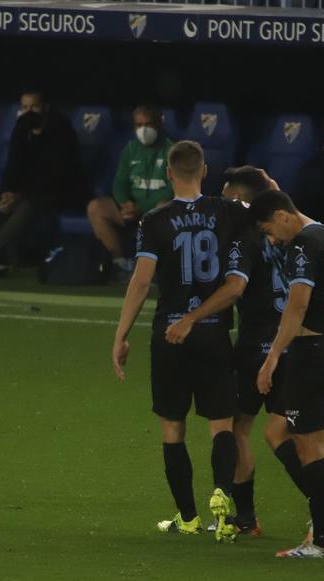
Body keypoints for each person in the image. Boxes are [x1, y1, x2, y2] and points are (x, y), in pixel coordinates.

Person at [111, 141, 247, 543]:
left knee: (173, 428)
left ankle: (187, 517)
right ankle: (222, 501)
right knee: (222, 424)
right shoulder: (227, 212)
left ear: (169, 173)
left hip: (169, 334)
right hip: (213, 331)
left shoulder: (154, 220)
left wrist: (120, 335)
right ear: (204, 171)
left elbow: (141, 279)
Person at [164, 165, 275, 535]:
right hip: (296, 342)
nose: (221, 209)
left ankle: (245, 518)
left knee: (241, 428)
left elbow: (234, 289)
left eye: (228, 200)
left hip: (256, 345)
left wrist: (190, 318)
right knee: (294, 431)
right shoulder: (287, 233)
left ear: (241, 202)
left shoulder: (245, 240)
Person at [252, 189, 324, 559]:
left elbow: (296, 306)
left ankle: (322, 539)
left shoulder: (301, 244)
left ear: (282, 215)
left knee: (309, 446)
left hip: (311, 352)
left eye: (269, 229)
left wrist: (272, 359)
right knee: (277, 431)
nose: (271, 238)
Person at [0, 91, 84, 277]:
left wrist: (19, 196)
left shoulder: (61, 129)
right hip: (24, 194)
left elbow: (54, 176)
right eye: (25, 107)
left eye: (34, 107)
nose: (29, 112)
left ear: (46, 107)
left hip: (57, 193)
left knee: (27, 207)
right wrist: (7, 194)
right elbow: (12, 166)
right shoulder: (22, 126)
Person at [86, 104, 175, 279]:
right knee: (96, 207)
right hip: (132, 211)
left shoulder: (173, 150)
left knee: (165, 207)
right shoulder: (131, 149)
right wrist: (125, 204)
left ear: (159, 124)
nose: (143, 130)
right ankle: (120, 263)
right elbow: (119, 184)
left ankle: (157, 268)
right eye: (139, 125)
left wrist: (142, 209)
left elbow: (175, 190)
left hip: (155, 212)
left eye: (148, 125)